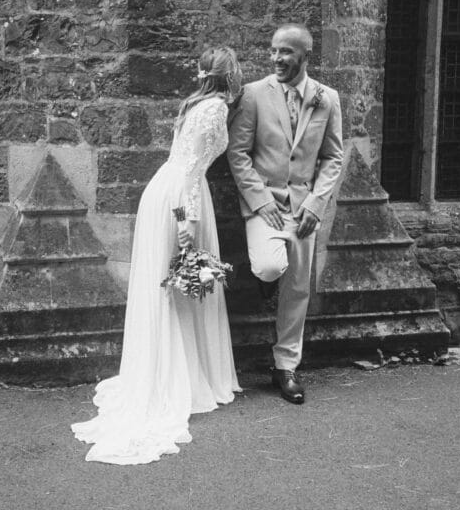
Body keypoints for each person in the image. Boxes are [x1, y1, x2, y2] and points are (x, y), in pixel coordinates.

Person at [72, 46, 243, 464]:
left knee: (173, 285)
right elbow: (190, 168)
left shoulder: (197, 104)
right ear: (229, 75)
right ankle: (174, 378)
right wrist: (187, 222)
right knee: (179, 281)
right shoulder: (214, 109)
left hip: (169, 189)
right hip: (180, 197)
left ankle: (176, 369)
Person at [227, 24, 343, 405]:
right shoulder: (254, 95)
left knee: (297, 290)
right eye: (274, 50)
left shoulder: (327, 99)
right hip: (266, 205)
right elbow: (238, 153)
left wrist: (315, 204)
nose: (277, 58)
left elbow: (333, 157)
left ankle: (285, 366)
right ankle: (266, 280)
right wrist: (259, 200)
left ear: (305, 56)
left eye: (286, 52)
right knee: (269, 268)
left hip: (304, 209)